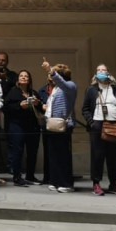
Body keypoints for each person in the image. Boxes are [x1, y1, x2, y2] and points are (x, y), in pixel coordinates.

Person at [83, 62, 116, 196]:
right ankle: (96, 184)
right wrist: (92, 123)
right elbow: (85, 109)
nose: (101, 72)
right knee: (97, 156)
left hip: (114, 125)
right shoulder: (91, 90)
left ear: (108, 73)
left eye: (103, 70)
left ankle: (113, 184)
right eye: (98, 70)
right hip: (97, 125)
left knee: (113, 156)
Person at [41, 60, 77, 192]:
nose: (51, 76)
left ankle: (66, 183)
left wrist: (50, 70)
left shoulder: (70, 86)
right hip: (52, 124)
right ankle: (55, 181)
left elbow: (62, 83)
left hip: (64, 124)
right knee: (53, 155)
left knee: (63, 155)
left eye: (55, 73)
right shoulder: (56, 88)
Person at [5, 70, 44, 187]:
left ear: (29, 79)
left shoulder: (34, 93)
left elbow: (42, 109)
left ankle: (30, 175)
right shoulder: (13, 92)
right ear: (18, 79)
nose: (23, 77)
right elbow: (6, 108)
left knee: (32, 151)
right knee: (17, 151)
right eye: (21, 76)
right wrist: (19, 106)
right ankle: (17, 177)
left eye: (26, 76)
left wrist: (37, 104)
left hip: (33, 126)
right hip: (17, 125)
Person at [0, 52, 19, 179]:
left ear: (7, 61)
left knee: (10, 138)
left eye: (3, 60)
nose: (0, 62)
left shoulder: (12, 75)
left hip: (9, 111)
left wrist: (5, 77)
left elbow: (16, 88)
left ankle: (12, 166)